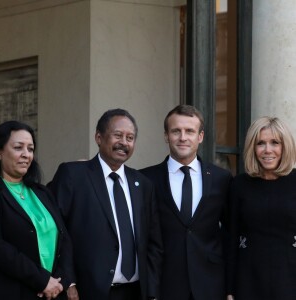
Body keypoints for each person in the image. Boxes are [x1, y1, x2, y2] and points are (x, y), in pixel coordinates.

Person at [48, 108, 163, 300]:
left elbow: (153, 243)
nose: (124, 143)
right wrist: (68, 280)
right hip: (87, 292)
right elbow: (57, 231)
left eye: (130, 137)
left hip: (135, 292)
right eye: (117, 135)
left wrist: (151, 289)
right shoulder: (74, 175)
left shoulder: (142, 184)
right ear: (99, 138)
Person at [140, 104, 232, 300]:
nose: (183, 137)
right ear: (166, 136)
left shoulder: (221, 178)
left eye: (189, 131)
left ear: (200, 136)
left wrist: (230, 288)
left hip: (211, 285)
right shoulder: (145, 180)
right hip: (164, 285)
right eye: (176, 131)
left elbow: (230, 235)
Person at [0, 120, 78, 300]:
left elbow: (64, 238)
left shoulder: (42, 192)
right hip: (15, 291)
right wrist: (41, 280)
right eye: (18, 148)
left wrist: (61, 282)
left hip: (54, 292)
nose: (26, 154)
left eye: (30, 149)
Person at [226, 116, 296, 300]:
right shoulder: (239, 184)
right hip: (248, 280)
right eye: (261, 143)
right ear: (252, 147)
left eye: (275, 143)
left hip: (289, 279)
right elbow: (231, 237)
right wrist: (229, 290)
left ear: (285, 146)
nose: (267, 150)